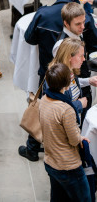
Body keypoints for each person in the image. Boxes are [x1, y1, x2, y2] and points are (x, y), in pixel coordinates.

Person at [19, 38, 88, 161]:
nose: (84, 59)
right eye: (81, 56)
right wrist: (79, 104)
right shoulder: (57, 79)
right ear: (69, 57)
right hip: (62, 133)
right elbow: (58, 108)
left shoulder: (70, 72)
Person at [40, 63, 91, 202]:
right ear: (66, 83)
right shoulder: (66, 109)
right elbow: (74, 140)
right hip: (68, 166)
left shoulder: (44, 100)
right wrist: (81, 137)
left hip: (51, 161)